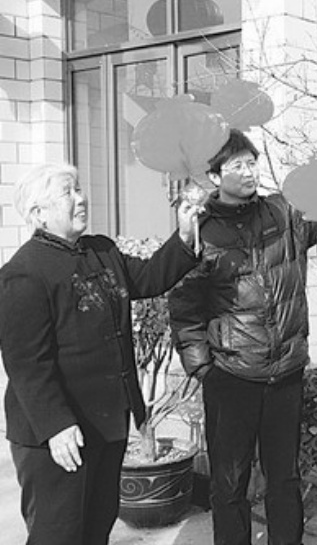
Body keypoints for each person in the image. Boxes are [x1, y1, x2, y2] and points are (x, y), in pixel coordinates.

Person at [168, 129, 317, 545]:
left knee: (284, 478)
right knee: (230, 484)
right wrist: (203, 368)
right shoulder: (201, 231)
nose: (249, 172)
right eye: (237, 165)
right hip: (231, 375)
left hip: (284, 372)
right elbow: (185, 306)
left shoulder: (283, 213)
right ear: (215, 176)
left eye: (252, 162)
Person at [0, 163, 201, 545]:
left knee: (97, 528)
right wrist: (56, 426)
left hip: (107, 423)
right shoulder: (24, 272)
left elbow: (150, 277)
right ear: (39, 213)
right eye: (67, 192)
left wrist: (185, 236)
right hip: (58, 435)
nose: (81, 198)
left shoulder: (101, 250)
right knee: (58, 535)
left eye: (79, 188)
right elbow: (26, 362)